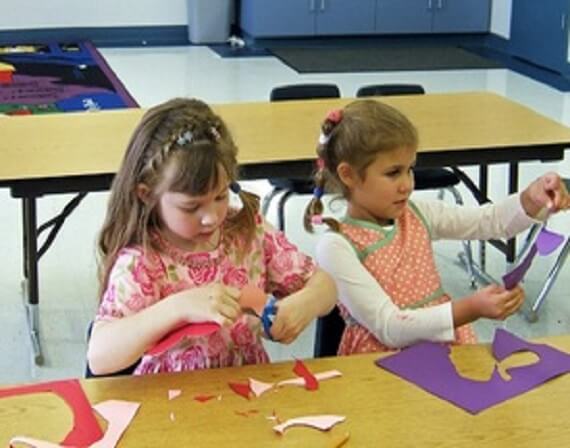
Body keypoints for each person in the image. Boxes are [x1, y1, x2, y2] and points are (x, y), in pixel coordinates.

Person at [87, 98, 336, 375]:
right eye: (191, 207)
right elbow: (99, 357)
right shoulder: (143, 260)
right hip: (171, 402)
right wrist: (177, 308)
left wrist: (302, 305)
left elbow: (325, 287)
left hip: (246, 395)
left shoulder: (247, 231)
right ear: (147, 195)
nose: (211, 217)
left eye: (220, 196)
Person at [304, 100, 570, 355]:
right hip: (379, 365)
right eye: (393, 172)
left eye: (410, 169)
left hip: (444, 354)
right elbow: (390, 327)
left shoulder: (417, 214)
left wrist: (532, 197)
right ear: (348, 174)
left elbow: (491, 222)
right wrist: (470, 308)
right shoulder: (336, 245)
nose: (407, 184)